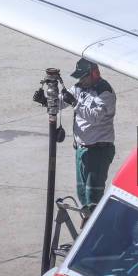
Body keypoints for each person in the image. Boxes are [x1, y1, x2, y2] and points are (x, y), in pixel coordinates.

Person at [33, 59, 116, 214]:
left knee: (93, 196)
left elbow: (95, 117)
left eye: (83, 77)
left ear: (94, 74)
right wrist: (46, 101)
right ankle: (87, 219)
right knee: (83, 194)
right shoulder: (79, 87)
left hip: (98, 151)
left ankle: (92, 226)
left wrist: (75, 103)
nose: (80, 80)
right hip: (82, 149)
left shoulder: (105, 93)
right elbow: (63, 101)